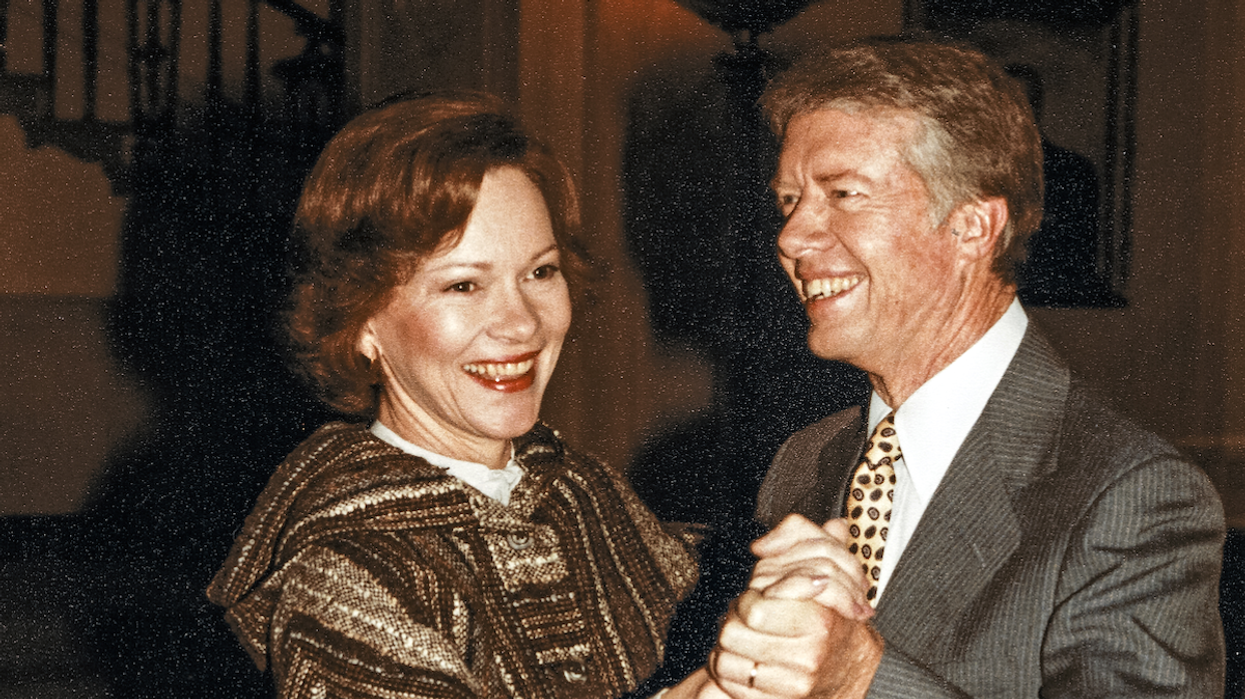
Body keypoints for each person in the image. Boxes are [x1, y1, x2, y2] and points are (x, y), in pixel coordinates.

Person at [700, 39, 1227, 697]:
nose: (791, 236)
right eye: (787, 200)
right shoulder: (804, 461)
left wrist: (862, 676)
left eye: (842, 192)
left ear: (974, 226)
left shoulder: (1133, 497)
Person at [205, 91, 701, 699]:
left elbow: (702, 597)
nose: (520, 323)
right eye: (465, 285)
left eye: (541, 272)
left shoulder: (587, 496)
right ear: (361, 322)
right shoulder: (348, 572)